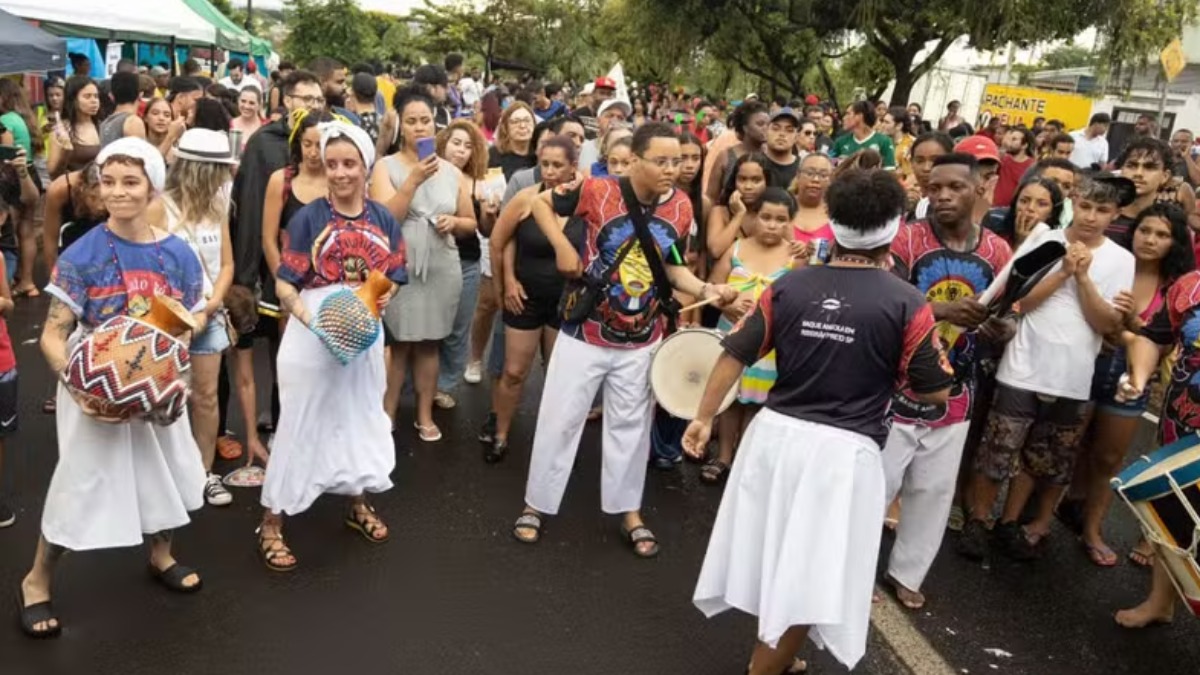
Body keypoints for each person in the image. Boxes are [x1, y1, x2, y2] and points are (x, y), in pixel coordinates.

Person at [684, 167, 954, 675]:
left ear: (832, 221)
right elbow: (933, 388)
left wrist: (702, 417)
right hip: (841, 456)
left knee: (776, 556)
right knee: (808, 572)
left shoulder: (791, 286)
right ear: (894, 227)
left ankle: (775, 657)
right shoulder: (908, 303)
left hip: (773, 438)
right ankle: (763, 667)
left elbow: (733, 351)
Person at [508, 122, 738, 557]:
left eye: (678, 160)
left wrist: (707, 291)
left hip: (641, 337)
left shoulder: (682, 207)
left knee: (631, 428)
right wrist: (561, 244)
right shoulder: (596, 190)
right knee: (561, 418)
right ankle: (536, 504)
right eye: (662, 161)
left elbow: (672, 266)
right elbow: (538, 204)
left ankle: (628, 510)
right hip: (583, 331)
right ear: (634, 160)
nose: (673, 169)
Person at [18, 138, 206, 638]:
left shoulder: (179, 257)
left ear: (151, 187)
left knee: (169, 473)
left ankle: (161, 554)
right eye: (109, 182)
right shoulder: (84, 254)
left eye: (131, 182)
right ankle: (36, 580)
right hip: (92, 383)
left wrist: (167, 378)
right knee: (81, 483)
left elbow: (184, 325)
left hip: (155, 379)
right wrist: (84, 391)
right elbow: (54, 335)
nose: (118, 192)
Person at [959, 176, 1136, 560]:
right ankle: (978, 520)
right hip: (1022, 366)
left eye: (1102, 210)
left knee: (1040, 458)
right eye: (1085, 206)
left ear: (1115, 214)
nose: (1091, 217)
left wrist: (1084, 277)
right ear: (1073, 201)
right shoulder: (1046, 239)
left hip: (1073, 376)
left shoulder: (1123, 260)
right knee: (998, 449)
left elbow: (1107, 324)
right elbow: (1022, 298)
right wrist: (1062, 271)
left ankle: (1009, 523)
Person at [257, 121, 407, 572]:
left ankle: (355, 503)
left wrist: (376, 301)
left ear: (366, 166)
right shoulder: (308, 218)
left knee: (359, 415)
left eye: (350, 163)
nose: (340, 173)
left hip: (364, 327)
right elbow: (285, 283)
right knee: (301, 420)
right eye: (332, 163)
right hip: (313, 328)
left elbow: (394, 277)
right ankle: (271, 522)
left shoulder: (382, 218)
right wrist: (311, 320)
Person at [883, 154, 1013, 609]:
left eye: (955, 187)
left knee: (934, 489)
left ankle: (908, 572)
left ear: (979, 189)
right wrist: (941, 311)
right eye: (934, 187)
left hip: (958, 385)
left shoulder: (998, 251)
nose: (941, 196)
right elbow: (887, 300)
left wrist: (1000, 327)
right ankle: (850, 570)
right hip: (895, 386)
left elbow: (1007, 315)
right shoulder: (907, 239)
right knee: (875, 484)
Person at [1061, 203, 1193, 567]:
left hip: (1132, 380)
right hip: (1084, 367)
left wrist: (1131, 326)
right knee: (1067, 446)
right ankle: (1043, 516)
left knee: (1108, 457)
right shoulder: (1110, 261)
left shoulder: (1177, 287)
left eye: (1162, 235)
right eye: (1145, 230)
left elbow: (1166, 342)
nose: (1150, 240)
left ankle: (1092, 530)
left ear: (1176, 242)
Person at [372, 88, 477, 442]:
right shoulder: (385, 167)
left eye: (426, 121)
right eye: (412, 121)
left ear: (436, 124)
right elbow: (385, 218)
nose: (420, 128)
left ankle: (424, 413)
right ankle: (386, 412)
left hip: (442, 265)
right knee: (399, 343)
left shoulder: (451, 171)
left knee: (431, 343)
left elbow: (471, 223)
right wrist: (414, 178)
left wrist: (454, 223)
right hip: (400, 266)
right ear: (400, 125)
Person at [483, 136, 586, 461]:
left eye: (559, 165)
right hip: (524, 298)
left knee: (560, 378)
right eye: (546, 164)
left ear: (573, 166)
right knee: (514, 372)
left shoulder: (587, 202)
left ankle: (552, 443)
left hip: (567, 302)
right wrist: (505, 287)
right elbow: (498, 242)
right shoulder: (526, 198)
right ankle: (500, 433)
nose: (552, 171)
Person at [151, 129, 238, 507]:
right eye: (220, 169)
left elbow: (227, 263)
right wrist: (182, 314)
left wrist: (213, 303)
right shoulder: (159, 208)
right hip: (167, 322)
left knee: (205, 396)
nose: (226, 176)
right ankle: (167, 473)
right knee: (166, 399)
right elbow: (148, 268)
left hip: (209, 315)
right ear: (202, 170)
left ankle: (203, 473)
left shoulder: (218, 206)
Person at [700, 187, 796, 485]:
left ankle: (746, 458)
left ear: (790, 222)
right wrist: (728, 304)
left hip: (771, 346)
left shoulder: (796, 257)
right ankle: (724, 456)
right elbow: (713, 285)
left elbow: (800, 300)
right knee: (731, 399)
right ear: (754, 217)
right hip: (732, 336)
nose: (771, 224)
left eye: (780, 219)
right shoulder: (737, 248)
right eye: (765, 217)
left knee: (758, 402)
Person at [433, 120, 489, 409]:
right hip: (432, 263)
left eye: (468, 146)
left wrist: (489, 211)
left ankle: (444, 385)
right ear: (443, 142)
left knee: (458, 328)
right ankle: (418, 384)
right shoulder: (427, 174)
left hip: (467, 261)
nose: (461, 150)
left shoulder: (479, 182)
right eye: (456, 143)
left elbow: (485, 229)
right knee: (428, 327)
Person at [707, 153, 772, 260]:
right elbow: (716, 250)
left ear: (767, 182)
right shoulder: (719, 212)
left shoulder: (773, 214)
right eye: (742, 179)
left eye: (756, 180)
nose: (748, 186)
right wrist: (739, 215)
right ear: (734, 182)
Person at [705, 99, 768, 204]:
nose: (766, 128)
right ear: (745, 127)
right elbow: (711, 197)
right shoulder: (726, 156)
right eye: (760, 124)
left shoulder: (770, 155)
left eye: (768, 124)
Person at [986, 176, 1065, 246]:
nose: (1030, 208)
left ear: (1051, 212)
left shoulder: (1053, 246)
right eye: (1024, 201)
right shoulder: (993, 222)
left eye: (1041, 204)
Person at [48, 75, 101, 179]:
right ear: (74, 100)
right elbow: (53, 174)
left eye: (96, 96)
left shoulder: (102, 126)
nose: (94, 101)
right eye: (87, 96)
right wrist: (65, 150)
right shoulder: (62, 130)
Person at [831, 100, 897, 170]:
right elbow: (830, 165)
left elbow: (889, 171)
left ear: (859, 116)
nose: (844, 118)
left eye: (848, 114)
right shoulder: (840, 142)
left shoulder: (884, 141)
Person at [905, 132, 955, 221]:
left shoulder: (956, 206)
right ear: (911, 163)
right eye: (920, 161)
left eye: (935, 160)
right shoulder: (904, 204)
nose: (926, 168)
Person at [789, 153, 834, 246]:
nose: (816, 179)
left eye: (823, 175)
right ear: (798, 175)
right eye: (809, 173)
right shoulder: (783, 206)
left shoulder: (835, 212)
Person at [578, 98, 631, 171]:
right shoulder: (583, 148)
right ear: (598, 120)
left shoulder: (632, 150)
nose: (615, 120)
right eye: (610, 116)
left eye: (620, 118)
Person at [489, 101, 537, 180]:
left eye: (527, 120)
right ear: (505, 127)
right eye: (515, 122)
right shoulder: (493, 155)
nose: (522, 126)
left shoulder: (540, 154)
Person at [993, 126, 1036, 208]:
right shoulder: (1003, 159)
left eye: (1014, 139)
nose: (1010, 142)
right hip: (993, 208)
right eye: (1010, 138)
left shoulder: (1032, 166)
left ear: (1024, 145)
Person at [763, 108, 800, 191]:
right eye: (776, 129)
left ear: (796, 137)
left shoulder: (802, 168)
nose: (782, 134)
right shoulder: (753, 164)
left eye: (789, 130)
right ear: (766, 132)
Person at [412, 63, 452, 130]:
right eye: (444, 86)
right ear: (430, 88)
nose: (448, 91)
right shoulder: (399, 115)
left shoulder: (443, 114)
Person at [882, 106, 916, 181]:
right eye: (883, 121)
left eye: (887, 122)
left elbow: (910, 175)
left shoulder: (911, 145)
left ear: (899, 126)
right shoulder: (884, 141)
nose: (882, 125)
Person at [231, 84, 265, 153]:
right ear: (238, 101)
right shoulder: (228, 124)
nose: (246, 106)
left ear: (259, 105)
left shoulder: (266, 126)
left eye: (251, 103)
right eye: (243, 101)